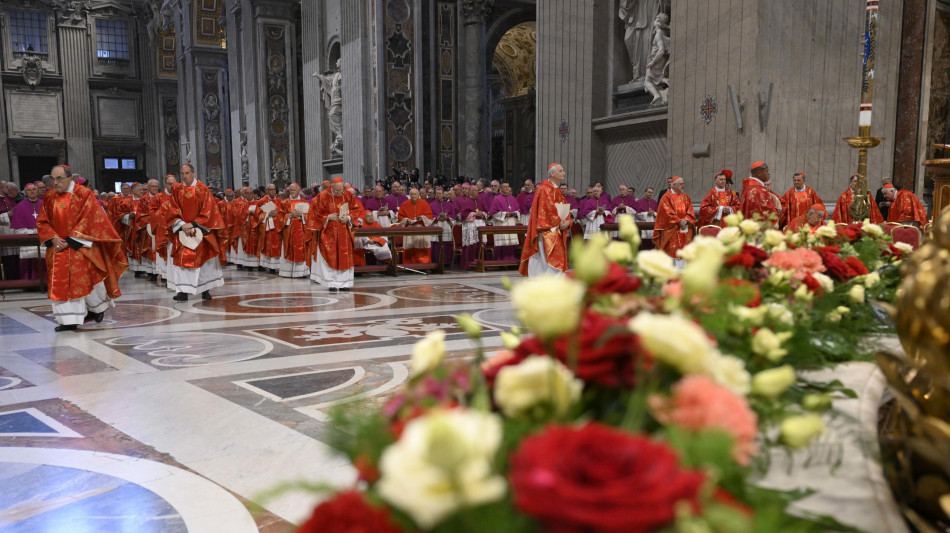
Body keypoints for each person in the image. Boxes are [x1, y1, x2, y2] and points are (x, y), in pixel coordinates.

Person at [37, 165, 127, 331]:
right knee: (60, 282)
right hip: (57, 247)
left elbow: (91, 217)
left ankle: (97, 309)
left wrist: (71, 240)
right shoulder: (50, 197)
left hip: (80, 245)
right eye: (53, 179)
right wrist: (54, 238)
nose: (55, 183)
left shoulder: (83, 194)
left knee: (88, 280)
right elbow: (43, 221)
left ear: (70, 179)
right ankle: (68, 320)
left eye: (59, 179)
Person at [165, 163, 226, 302]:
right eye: (182, 174)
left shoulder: (203, 190)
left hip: (201, 231)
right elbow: (172, 209)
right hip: (183, 231)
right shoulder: (177, 190)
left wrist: (193, 224)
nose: (184, 176)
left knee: (204, 262)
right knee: (182, 262)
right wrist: (181, 224)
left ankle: (205, 289)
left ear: (193, 173)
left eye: (187, 173)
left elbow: (209, 211)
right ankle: (182, 292)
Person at [309, 177, 365, 291]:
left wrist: (348, 218)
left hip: (344, 231)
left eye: (341, 190)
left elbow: (355, 209)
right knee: (331, 257)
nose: (339, 192)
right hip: (329, 232)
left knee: (344, 257)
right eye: (337, 190)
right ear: (332, 186)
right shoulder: (323, 196)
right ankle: (332, 283)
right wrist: (328, 217)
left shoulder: (347, 195)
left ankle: (345, 284)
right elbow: (314, 213)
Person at [520, 164, 571, 277]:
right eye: (561, 171)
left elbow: (564, 207)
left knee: (555, 262)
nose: (564, 173)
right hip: (546, 231)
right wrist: (560, 221)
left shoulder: (556, 190)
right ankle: (544, 287)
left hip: (556, 230)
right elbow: (545, 210)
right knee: (546, 263)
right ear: (552, 173)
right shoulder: (544, 189)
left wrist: (567, 221)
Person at [653, 176, 695, 258]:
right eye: (681, 184)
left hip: (684, 229)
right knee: (672, 252)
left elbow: (690, 210)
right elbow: (665, 212)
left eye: (683, 184)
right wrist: (679, 221)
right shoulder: (666, 197)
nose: (683, 186)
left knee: (684, 251)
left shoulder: (685, 197)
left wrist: (686, 220)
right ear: (674, 185)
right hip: (672, 229)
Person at [9, 182, 44, 280]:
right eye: (29, 190)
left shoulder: (44, 205)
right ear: (25, 192)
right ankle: (29, 283)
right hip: (27, 239)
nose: (32, 191)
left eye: (34, 189)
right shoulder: (20, 206)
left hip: (43, 238)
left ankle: (46, 282)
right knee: (29, 262)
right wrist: (32, 232)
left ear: (37, 191)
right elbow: (18, 227)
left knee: (44, 261)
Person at [278, 183, 312, 278]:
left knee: (301, 250)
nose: (292, 191)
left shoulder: (305, 202)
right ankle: (287, 272)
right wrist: (290, 216)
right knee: (288, 248)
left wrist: (302, 215)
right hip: (288, 231)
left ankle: (301, 272)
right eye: (291, 190)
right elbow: (279, 217)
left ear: (299, 190)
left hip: (301, 231)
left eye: (294, 190)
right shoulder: (284, 202)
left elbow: (310, 217)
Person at [398, 187, 435, 264]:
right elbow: (400, 217)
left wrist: (422, 218)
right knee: (409, 246)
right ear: (409, 195)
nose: (413, 195)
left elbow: (429, 216)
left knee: (423, 245)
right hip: (409, 228)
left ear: (418, 195)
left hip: (420, 227)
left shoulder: (424, 203)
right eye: (412, 194)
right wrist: (407, 220)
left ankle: (424, 264)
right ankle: (409, 265)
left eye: (415, 194)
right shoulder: (405, 204)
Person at [150, 175, 175, 283]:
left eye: (174, 184)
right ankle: (165, 275)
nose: (172, 186)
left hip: (175, 229)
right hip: (163, 230)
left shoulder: (179, 196)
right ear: (165, 184)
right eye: (170, 184)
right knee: (164, 252)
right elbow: (152, 213)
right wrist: (164, 213)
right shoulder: (158, 197)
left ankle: (175, 276)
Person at [489, 183, 521, 261]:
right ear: (501, 189)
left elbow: (518, 210)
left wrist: (516, 213)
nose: (507, 188)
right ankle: (501, 261)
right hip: (501, 223)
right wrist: (504, 214)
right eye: (505, 187)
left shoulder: (513, 198)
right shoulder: (496, 199)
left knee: (511, 242)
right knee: (503, 242)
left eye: (508, 187)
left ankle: (512, 260)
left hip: (511, 222)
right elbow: (493, 213)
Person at [428, 188, 456, 268]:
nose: (438, 195)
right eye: (437, 193)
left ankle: (446, 262)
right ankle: (436, 261)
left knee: (446, 244)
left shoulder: (448, 204)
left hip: (446, 227)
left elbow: (453, 216)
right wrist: (437, 218)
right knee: (436, 245)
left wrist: (447, 217)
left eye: (440, 193)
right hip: (437, 226)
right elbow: (429, 217)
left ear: (443, 194)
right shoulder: (431, 205)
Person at [258, 182, 283, 273]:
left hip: (278, 226)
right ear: (266, 191)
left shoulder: (280, 200)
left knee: (278, 245)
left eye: (274, 189)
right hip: (267, 226)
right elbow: (257, 214)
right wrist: (267, 214)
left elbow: (284, 212)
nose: (273, 191)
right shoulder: (262, 201)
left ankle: (277, 265)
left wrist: (278, 213)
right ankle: (269, 265)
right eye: (271, 190)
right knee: (268, 245)